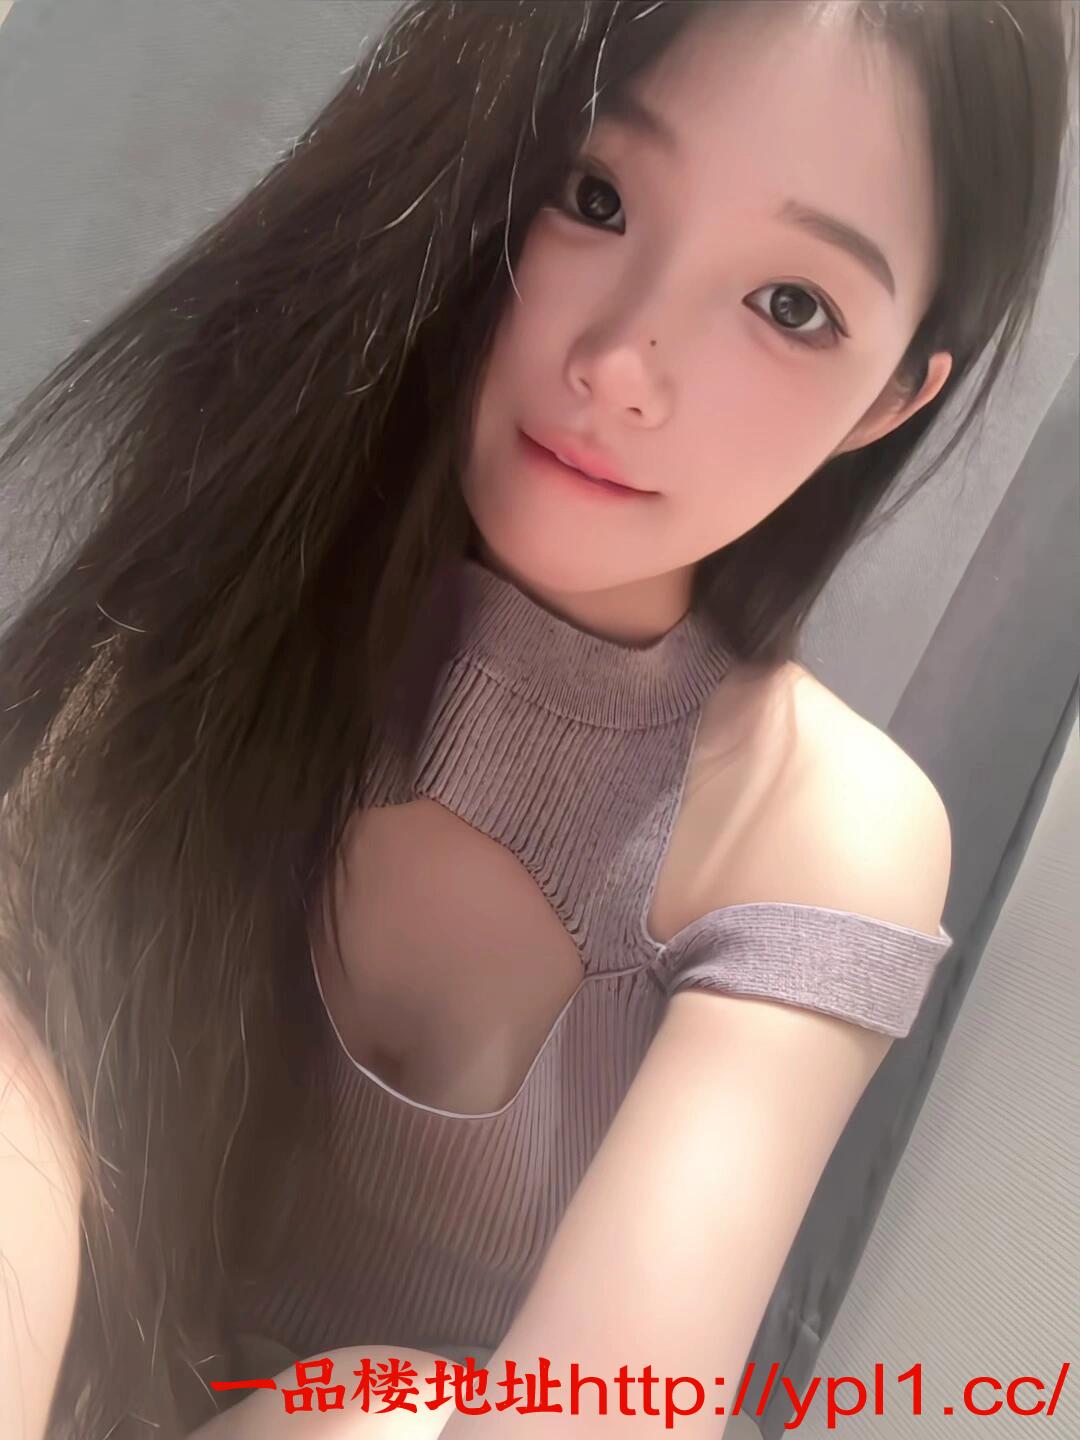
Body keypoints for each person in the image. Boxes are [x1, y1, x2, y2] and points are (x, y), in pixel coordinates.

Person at [0, 1, 1075, 1436]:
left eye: (790, 304)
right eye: (597, 196)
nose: (623, 364)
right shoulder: (257, 572)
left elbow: (598, 1411)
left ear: (890, 398)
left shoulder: (815, 829)